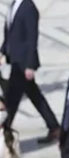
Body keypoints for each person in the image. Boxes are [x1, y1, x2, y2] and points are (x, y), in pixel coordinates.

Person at [0, 0, 60, 143]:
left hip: (22, 63)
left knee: (11, 99)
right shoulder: (15, 5)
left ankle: (5, 131)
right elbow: (9, 32)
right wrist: (2, 51)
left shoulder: (29, 8)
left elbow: (32, 38)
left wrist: (30, 65)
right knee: (34, 95)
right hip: (14, 59)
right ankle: (54, 127)